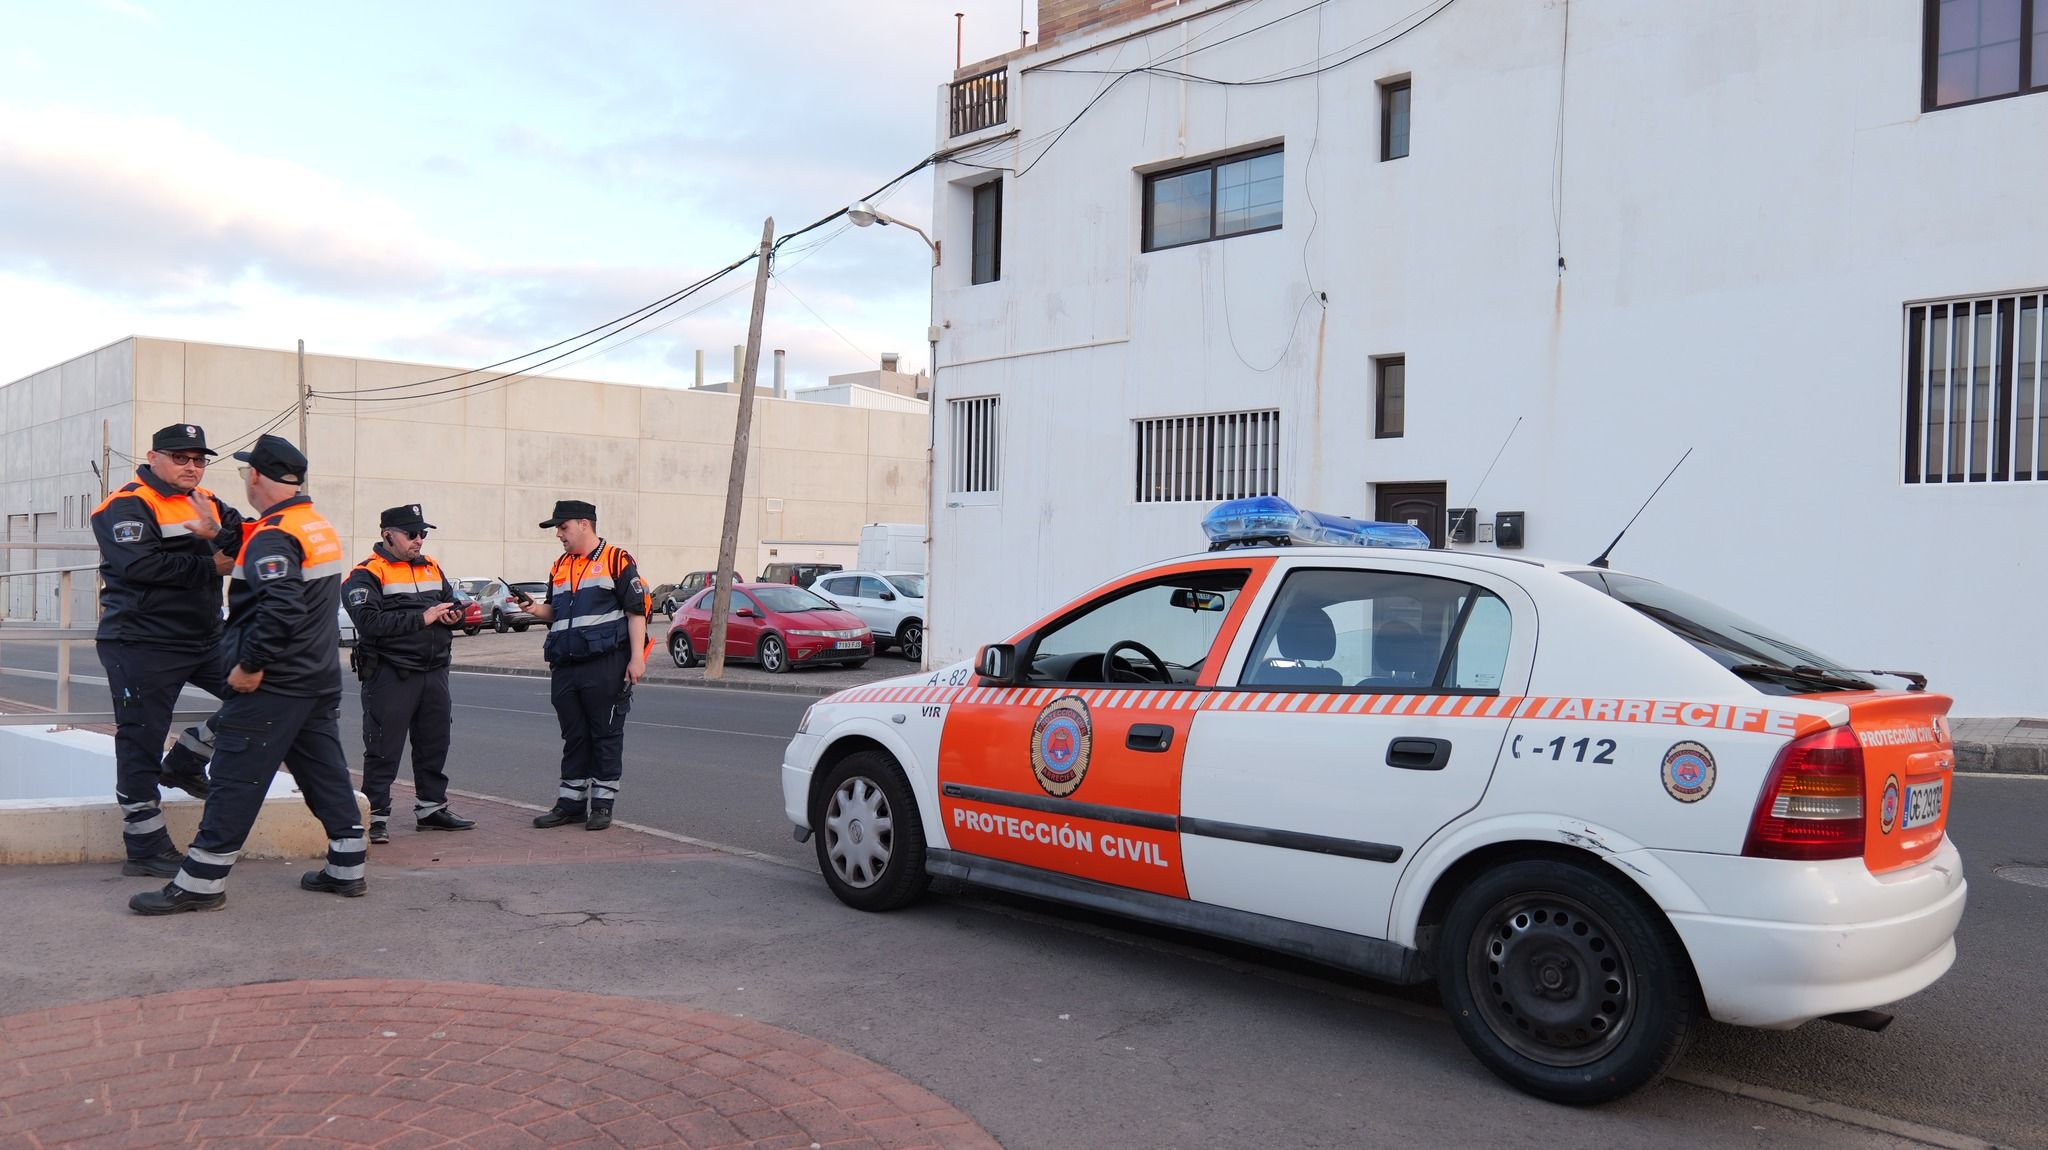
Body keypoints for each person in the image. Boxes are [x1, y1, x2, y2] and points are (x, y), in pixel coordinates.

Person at [129, 434, 366, 915]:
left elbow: (278, 609)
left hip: (274, 683)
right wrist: (214, 532)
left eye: (246, 473)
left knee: (235, 779)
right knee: (325, 774)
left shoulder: (274, 535)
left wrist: (250, 666)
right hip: (316, 677)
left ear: (256, 477)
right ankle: (348, 867)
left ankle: (199, 884)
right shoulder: (313, 524)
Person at [91, 424, 245, 878]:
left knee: (264, 693)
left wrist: (223, 539)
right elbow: (137, 564)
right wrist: (211, 563)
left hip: (205, 638)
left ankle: (187, 757)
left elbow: (246, 541)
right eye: (181, 458)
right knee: (141, 738)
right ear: (153, 456)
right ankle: (144, 845)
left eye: (199, 460)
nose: (192, 467)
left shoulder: (210, 502)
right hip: (141, 641)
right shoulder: (125, 504)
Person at [342, 504, 477, 844]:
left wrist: (453, 616)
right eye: (412, 534)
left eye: (423, 534)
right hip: (390, 672)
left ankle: (431, 809)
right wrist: (423, 618)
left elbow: (452, 603)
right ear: (387, 535)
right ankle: (376, 816)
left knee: (434, 742)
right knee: (383, 747)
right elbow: (369, 623)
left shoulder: (431, 566)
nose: (419, 540)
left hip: (434, 669)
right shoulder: (365, 574)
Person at [514, 500, 649, 831]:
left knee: (604, 733)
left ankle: (602, 805)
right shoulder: (560, 565)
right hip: (566, 664)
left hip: (605, 662)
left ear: (584, 524)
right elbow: (555, 613)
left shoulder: (617, 559)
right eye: (558, 529)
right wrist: (533, 609)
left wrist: (635, 659)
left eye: (563, 527)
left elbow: (636, 611)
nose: (559, 534)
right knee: (574, 736)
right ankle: (571, 804)